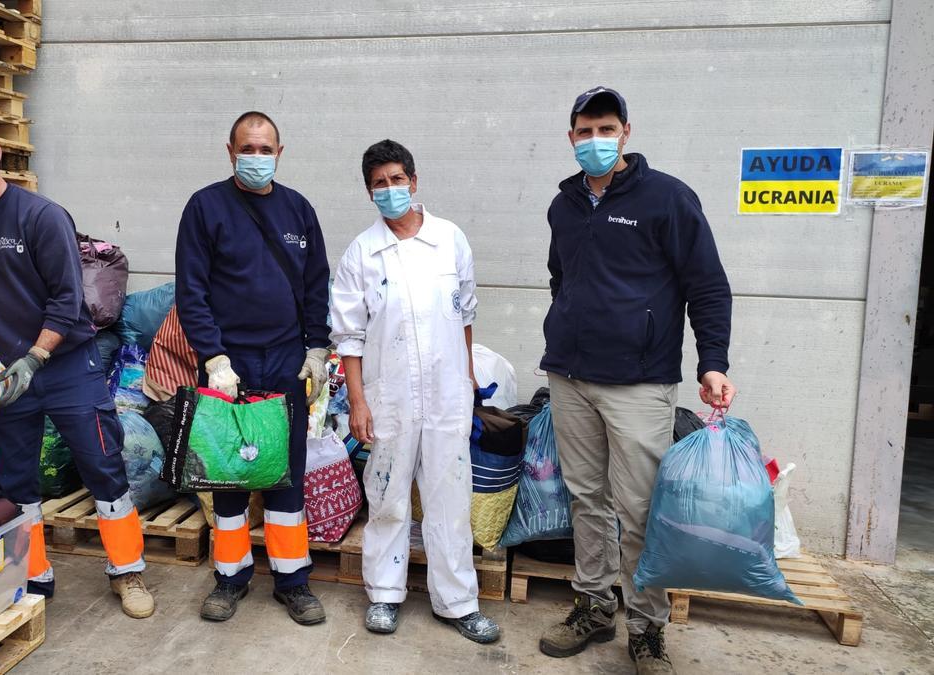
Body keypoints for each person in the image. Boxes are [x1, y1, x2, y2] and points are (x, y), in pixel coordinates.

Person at [535, 87, 735, 674]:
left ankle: (647, 627)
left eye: (605, 128)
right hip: (570, 377)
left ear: (625, 131)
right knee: (586, 499)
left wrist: (712, 361)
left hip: (639, 384)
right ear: (570, 137)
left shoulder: (667, 198)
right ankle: (595, 607)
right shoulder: (564, 204)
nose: (594, 140)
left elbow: (708, 285)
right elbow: (561, 277)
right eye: (584, 131)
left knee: (641, 509)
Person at [0, 113, 153, 619]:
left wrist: (35, 357)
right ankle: (33, 577)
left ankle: (129, 571)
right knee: (13, 480)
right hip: (4, 378)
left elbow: (67, 300)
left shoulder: (40, 217)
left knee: (102, 465)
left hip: (66, 365)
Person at [330, 139, 501, 644]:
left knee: (450, 498)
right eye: (379, 184)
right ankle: (384, 594)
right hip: (390, 398)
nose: (390, 190)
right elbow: (348, 336)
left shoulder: (450, 240)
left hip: (448, 394)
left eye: (397, 179)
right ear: (369, 192)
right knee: (385, 495)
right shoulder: (363, 253)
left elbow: (465, 313)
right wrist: (358, 401)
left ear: (415, 180)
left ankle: (458, 602)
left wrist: (467, 376)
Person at [175, 111, 331, 625]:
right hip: (229, 366)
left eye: (266, 150)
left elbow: (314, 287)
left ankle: (293, 581)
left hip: (287, 362)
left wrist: (316, 350)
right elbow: (192, 292)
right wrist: (213, 357)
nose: (257, 158)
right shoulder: (205, 208)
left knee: (287, 478)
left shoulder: (299, 210)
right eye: (248, 149)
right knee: (229, 476)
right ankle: (231, 578)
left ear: (280, 153)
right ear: (230, 151)